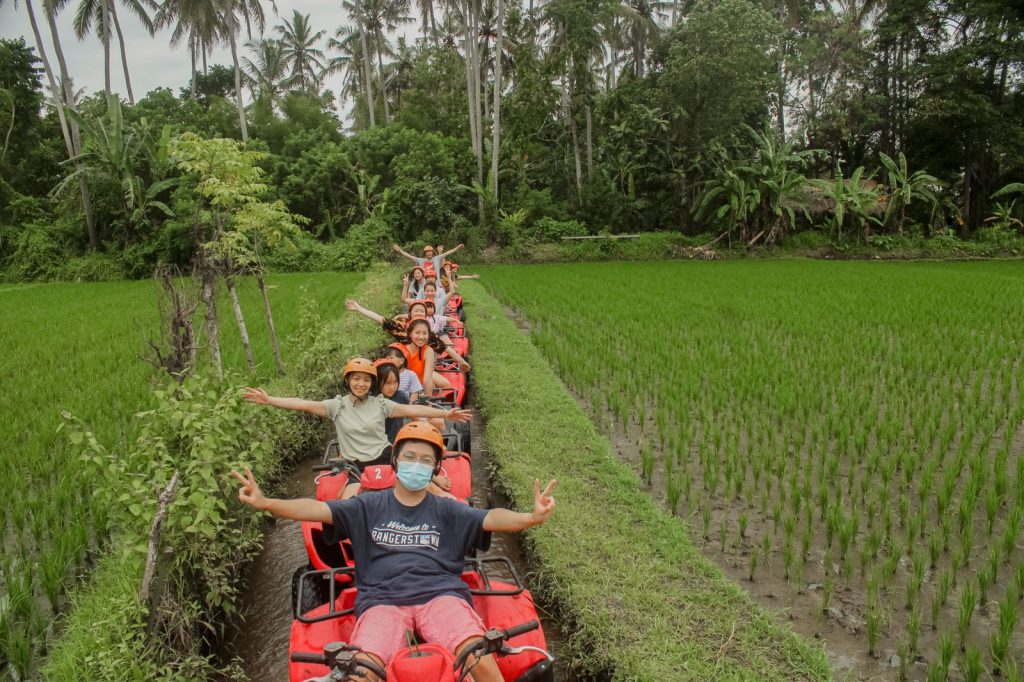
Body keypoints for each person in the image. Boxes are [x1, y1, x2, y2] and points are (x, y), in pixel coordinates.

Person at [231, 422, 557, 682]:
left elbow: (490, 518)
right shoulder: (367, 505)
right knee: (362, 670)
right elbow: (316, 510)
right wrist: (265, 503)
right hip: (382, 601)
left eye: (426, 460)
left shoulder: (448, 508)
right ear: (396, 460)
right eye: (411, 457)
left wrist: (531, 517)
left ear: (435, 470)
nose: (417, 465)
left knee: (475, 654)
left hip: (440, 596)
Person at [242, 358, 469, 498]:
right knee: (346, 502)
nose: (361, 384)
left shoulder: (381, 403)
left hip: (384, 456)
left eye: (366, 380)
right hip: (355, 464)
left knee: (430, 490)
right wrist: (270, 399)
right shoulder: (336, 406)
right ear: (348, 381)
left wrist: (446, 413)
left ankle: (460, 513)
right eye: (356, 379)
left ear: (372, 384)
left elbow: (413, 409)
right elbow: (303, 404)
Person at [347, 300, 471, 374]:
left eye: (421, 311)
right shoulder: (400, 328)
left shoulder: (428, 334)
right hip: (404, 367)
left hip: (422, 368)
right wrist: (359, 308)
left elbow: (446, 349)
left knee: (445, 384)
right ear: (410, 314)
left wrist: (462, 361)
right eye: (416, 310)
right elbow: (379, 318)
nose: (419, 313)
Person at [393, 242, 465, 274]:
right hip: (424, 285)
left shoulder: (437, 258)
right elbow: (409, 256)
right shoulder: (420, 260)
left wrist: (457, 248)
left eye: (430, 251)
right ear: (425, 253)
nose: (429, 253)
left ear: (432, 252)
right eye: (427, 252)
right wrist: (400, 251)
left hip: (436, 284)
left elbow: (448, 252)